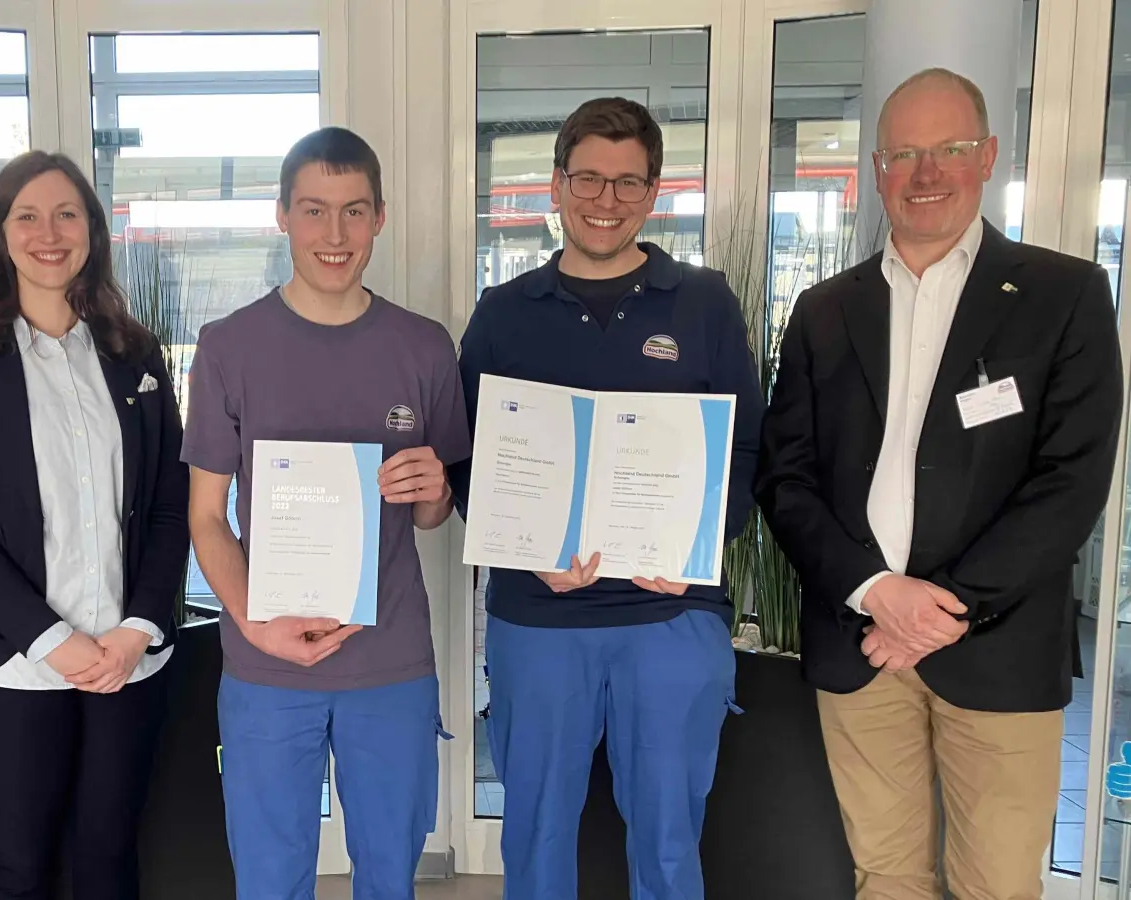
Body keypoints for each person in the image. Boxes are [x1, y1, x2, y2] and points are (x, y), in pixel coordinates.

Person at [756, 68, 1122, 900]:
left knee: (996, 883)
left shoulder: (1063, 294)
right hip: (862, 643)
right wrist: (877, 592)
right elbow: (788, 477)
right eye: (907, 155)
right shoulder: (821, 310)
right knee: (885, 877)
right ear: (878, 168)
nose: (927, 174)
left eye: (950, 150)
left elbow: (1071, 482)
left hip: (997, 648)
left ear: (988, 155)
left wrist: (937, 610)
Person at [450, 97, 764, 900]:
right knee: (536, 835)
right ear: (557, 185)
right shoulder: (501, 315)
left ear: (653, 194)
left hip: (670, 615)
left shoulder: (705, 304)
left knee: (667, 842)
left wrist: (697, 548)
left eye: (629, 183)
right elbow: (467, 463)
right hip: (539, 617)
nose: (605, 199)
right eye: (588, 177)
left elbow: (748, 450)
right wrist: (525, 550)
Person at [182, 126, 471, 900]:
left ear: (380, 217)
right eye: (314, 211)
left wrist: (436, 492)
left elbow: (434, 514)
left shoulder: (424, 346)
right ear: (282, 216)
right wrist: (254, 622)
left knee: (389, 877)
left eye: (352, 212)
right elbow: (206, 516)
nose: (333, 235)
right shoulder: (226, 347)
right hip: (265, 664)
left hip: (391, 663)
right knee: (271, 879)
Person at [0, 150, 189, 900]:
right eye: (26, 216)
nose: (49, 232)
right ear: (0, 236)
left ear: (92, 231)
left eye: (67, 213)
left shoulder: (135, 354)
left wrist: (139, 627)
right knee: (19, 867)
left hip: (126, 659)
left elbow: (170, 505)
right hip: (15, 661)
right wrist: (53, 640)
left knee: (109, 861)